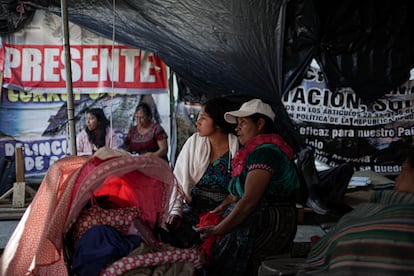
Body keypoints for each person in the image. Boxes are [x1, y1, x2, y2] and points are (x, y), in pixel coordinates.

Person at [196, 98, 301, 275]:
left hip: (269, 222)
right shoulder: (254, 152)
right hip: (260, 218)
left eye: (243, 123)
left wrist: (218, 229)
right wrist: (222, 207)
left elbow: (250, 201)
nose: (237, 128)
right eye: (237, 123)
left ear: (260, 124)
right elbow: (238, 193)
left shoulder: (266, 152)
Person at [163, 97, 240, 248]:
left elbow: (239, 192)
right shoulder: (194, 142)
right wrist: (176, 211)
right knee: (165, 227)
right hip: (194, 209)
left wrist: (223, 209)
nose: (198, 122)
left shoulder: (237, 148)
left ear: (218, 123)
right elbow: (178, 181)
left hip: (223, 212)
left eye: (203, 118)